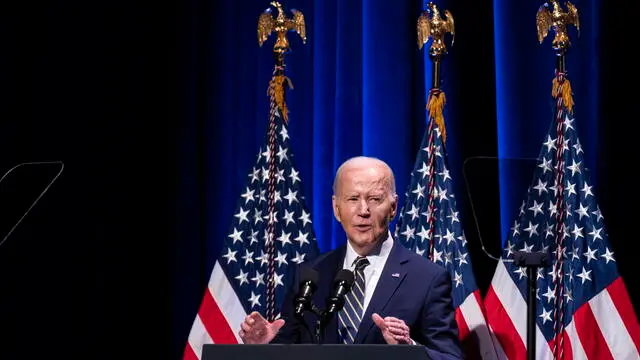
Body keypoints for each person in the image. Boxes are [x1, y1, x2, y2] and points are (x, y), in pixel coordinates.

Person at [239, 156, 464, 360]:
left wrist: (409, 348)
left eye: (375, 199)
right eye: (353, 199)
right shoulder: (311, 275)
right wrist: (265, 346)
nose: (363, 210)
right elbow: (289, 350)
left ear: (393, 207)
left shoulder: (427, 278)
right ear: (337, 209)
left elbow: (451, 357)